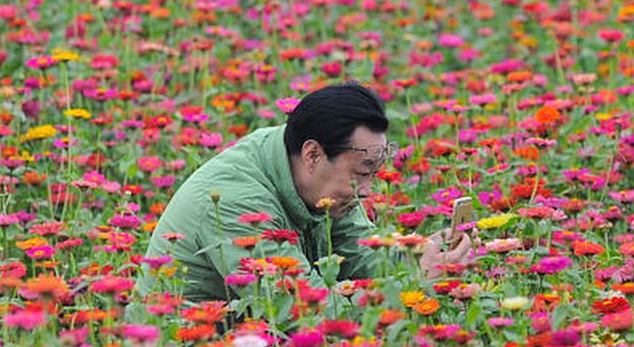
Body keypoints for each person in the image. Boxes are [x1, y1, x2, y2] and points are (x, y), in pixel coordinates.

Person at [135, 83, 470, 308]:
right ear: (313, 155)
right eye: (362, 172)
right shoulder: (235, 201)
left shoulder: (323, 172)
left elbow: (361, 255)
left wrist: (421, 258)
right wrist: (409, 289)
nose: (367, 190)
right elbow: (301, 309)